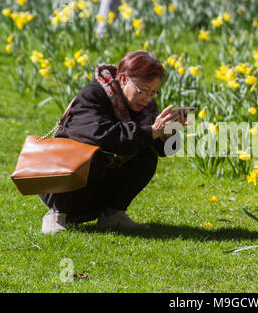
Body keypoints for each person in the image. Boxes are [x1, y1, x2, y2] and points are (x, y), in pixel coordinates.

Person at [40, 50, 187, 234]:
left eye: (153, 92)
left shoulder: (144, 107)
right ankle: (56, 215)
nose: (147, 98)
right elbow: (105, 136)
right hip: (63, 185)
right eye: (143, 90)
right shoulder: (93, 95)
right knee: (95, 155)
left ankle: (112, 215)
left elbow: (164, 149)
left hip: (98, 188)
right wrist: (152, 131)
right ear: (124, 79)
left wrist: (168, 133)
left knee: (147, 155)